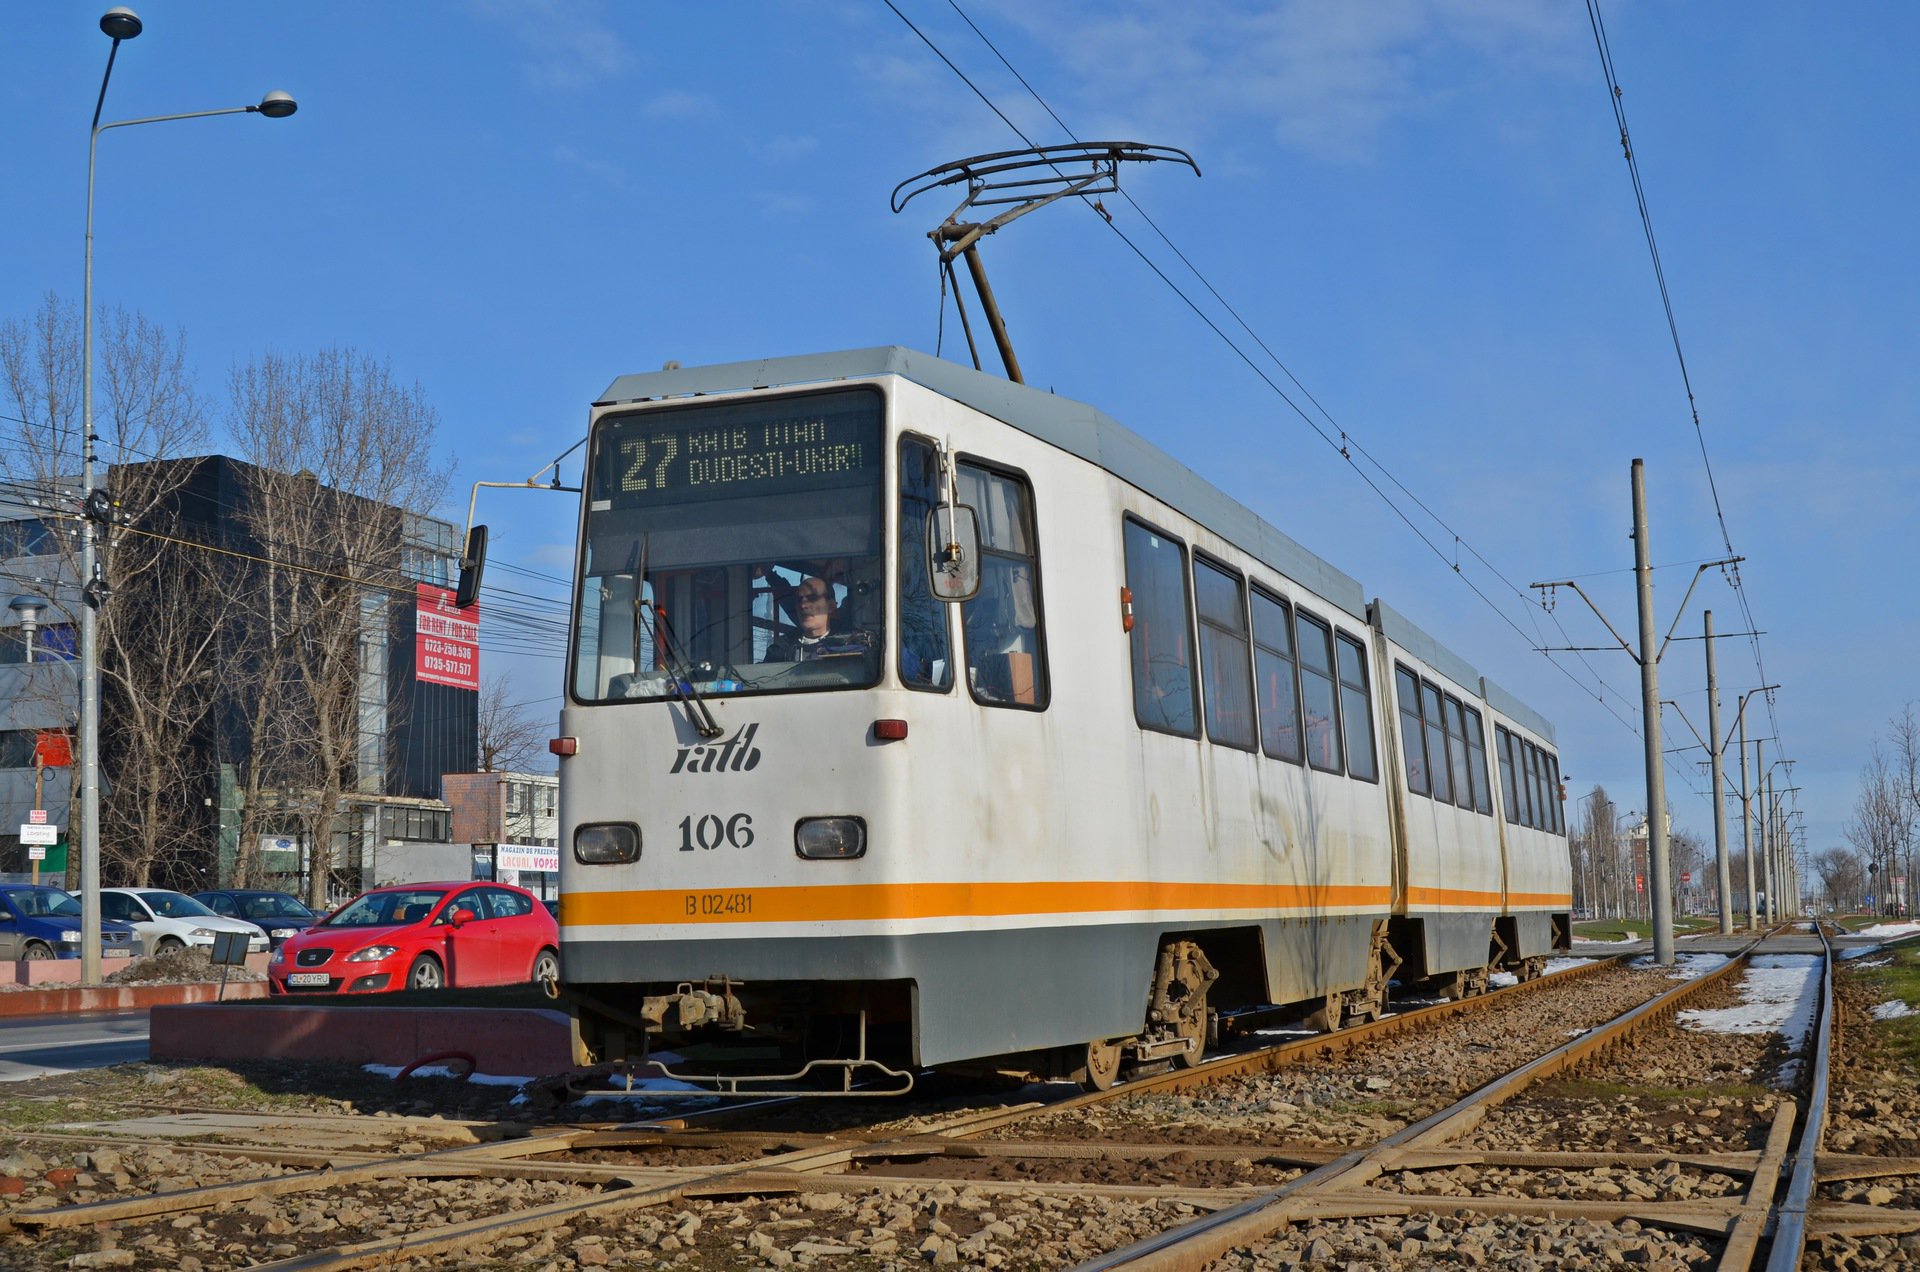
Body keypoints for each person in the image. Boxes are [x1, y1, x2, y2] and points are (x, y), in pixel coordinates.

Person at [762, 574, 874, 662]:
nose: (803, 605)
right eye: (799, 600)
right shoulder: (779, 650)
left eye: (812, 598)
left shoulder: (851, 644)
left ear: (831, 606)